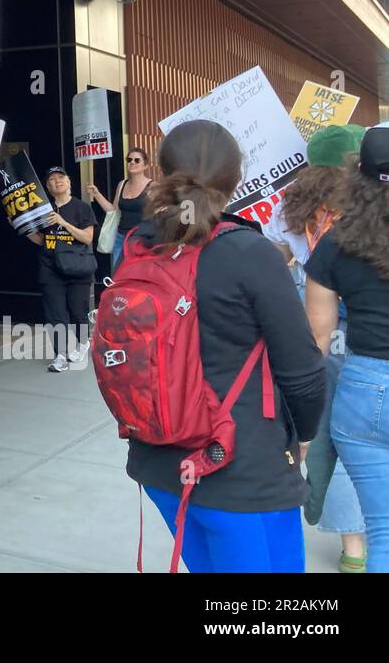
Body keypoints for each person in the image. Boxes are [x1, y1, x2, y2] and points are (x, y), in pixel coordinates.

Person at [124, 121, 325, 573]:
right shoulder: (250, 253)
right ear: (237, 179)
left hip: (160, 460)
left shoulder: (140, 244)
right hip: (240, 469)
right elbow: (302, 371)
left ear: (162, 172)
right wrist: (305, 433)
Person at [276, 125, 367, 571]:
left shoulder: (295, 205)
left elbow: (286, 259)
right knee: (364, 438)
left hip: (319, 329)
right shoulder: (370, 204)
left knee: (330, 434)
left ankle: (354, 549)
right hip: (367, 333)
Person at [305, 126, 389, 573]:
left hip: (362, 391)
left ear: (358, 177)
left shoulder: (336, 244)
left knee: (384, 532)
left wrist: (296, 421)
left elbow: (315, 340)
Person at [27, 165, 96, 372]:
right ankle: (60, 355)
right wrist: (23, 228)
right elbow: (41, 240)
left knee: (77, 311)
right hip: (50, 266)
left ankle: (83, 342)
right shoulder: (42, 209)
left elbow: (87, 237)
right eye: (51, 180)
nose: (56, 182)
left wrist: (63, 223)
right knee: (55, 313)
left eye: (60, 178)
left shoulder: (82, 208)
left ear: (69, 182)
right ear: (47, 187)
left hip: (77, 266)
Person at [88, 146, 152, 270]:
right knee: (118, 274)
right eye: (129, 160)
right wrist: (96, 194)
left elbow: (159, 214)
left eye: (137, 160)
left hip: (141, 239)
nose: (132, 162)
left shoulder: (152, 187)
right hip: (121, 237)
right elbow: (113, 211)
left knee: (138, 274)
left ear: (146, 165)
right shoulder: (122, 184)